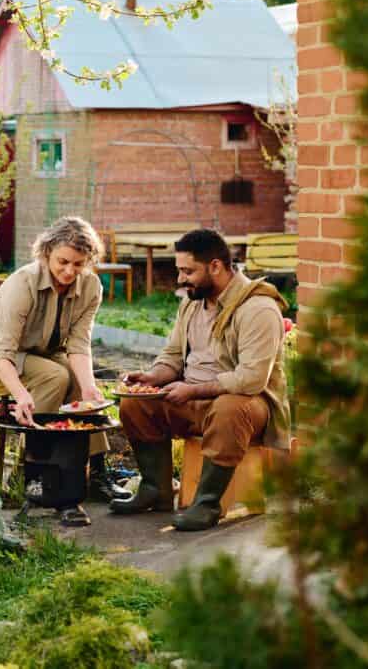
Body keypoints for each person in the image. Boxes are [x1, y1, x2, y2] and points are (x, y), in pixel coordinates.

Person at [109, 228, 291, 531]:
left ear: (216, 266)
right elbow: (173, 356)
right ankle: (156, 490)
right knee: (135, 404)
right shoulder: (192, 303)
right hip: (192, 399)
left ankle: (206, 504)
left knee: (230, 407)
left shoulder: (258, 308)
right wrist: (152, 377)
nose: (180, 279)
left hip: (246, 408)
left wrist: (192, 390)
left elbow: (251, 380)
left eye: (187, 271)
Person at [0, 217, 123, 527]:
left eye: (78, 264)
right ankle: (34, 476)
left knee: (76, 379)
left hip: (40, 354)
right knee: (55, 376)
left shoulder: (90, 287)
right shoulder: (23, 284)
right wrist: (20, 395)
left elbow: (78, 345)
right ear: (46, 252)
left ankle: (96, 470)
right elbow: (3, 353)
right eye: (63, 261)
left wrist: (89, 389)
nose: (69, 271)